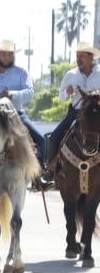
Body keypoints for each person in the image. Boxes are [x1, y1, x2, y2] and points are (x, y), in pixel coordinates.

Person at [0, 39, 47, 183]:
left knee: (40, 139)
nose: (7, 57)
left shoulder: (21, 72)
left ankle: (40, 176)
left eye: (10, 54)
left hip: (17, 114)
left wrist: (12, 95)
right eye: (3, 54)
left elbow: (30, 93)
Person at [40, 43, 100, 185]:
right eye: (77, 56)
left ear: (90, 57)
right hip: (76, 112)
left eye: (82, 56)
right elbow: (61, 96)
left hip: (96, 113)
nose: (78, 59)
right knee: (54, 136)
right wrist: (67, 92)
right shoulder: (71, 74)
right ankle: (50, 171)